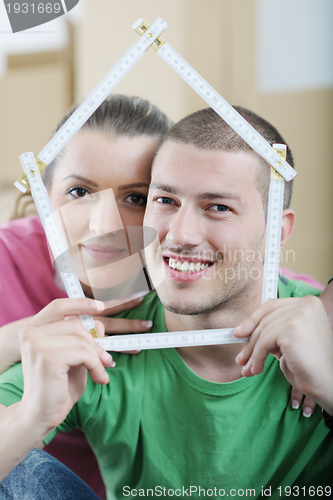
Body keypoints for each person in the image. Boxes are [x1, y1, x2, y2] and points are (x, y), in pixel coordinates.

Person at [0, 106, 332, 498]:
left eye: (218, 207)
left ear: (277, 230)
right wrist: (31, 417)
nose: (181, 234)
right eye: (165, 200)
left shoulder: (318, 325)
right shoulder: (97, 347)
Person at [0, 94, 171, 498]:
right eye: (79, 192)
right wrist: (12, 339)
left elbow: (281, 283)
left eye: (136, 198)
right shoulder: (7, 257)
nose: (104, 224)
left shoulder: (182, 265)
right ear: (43, 197)